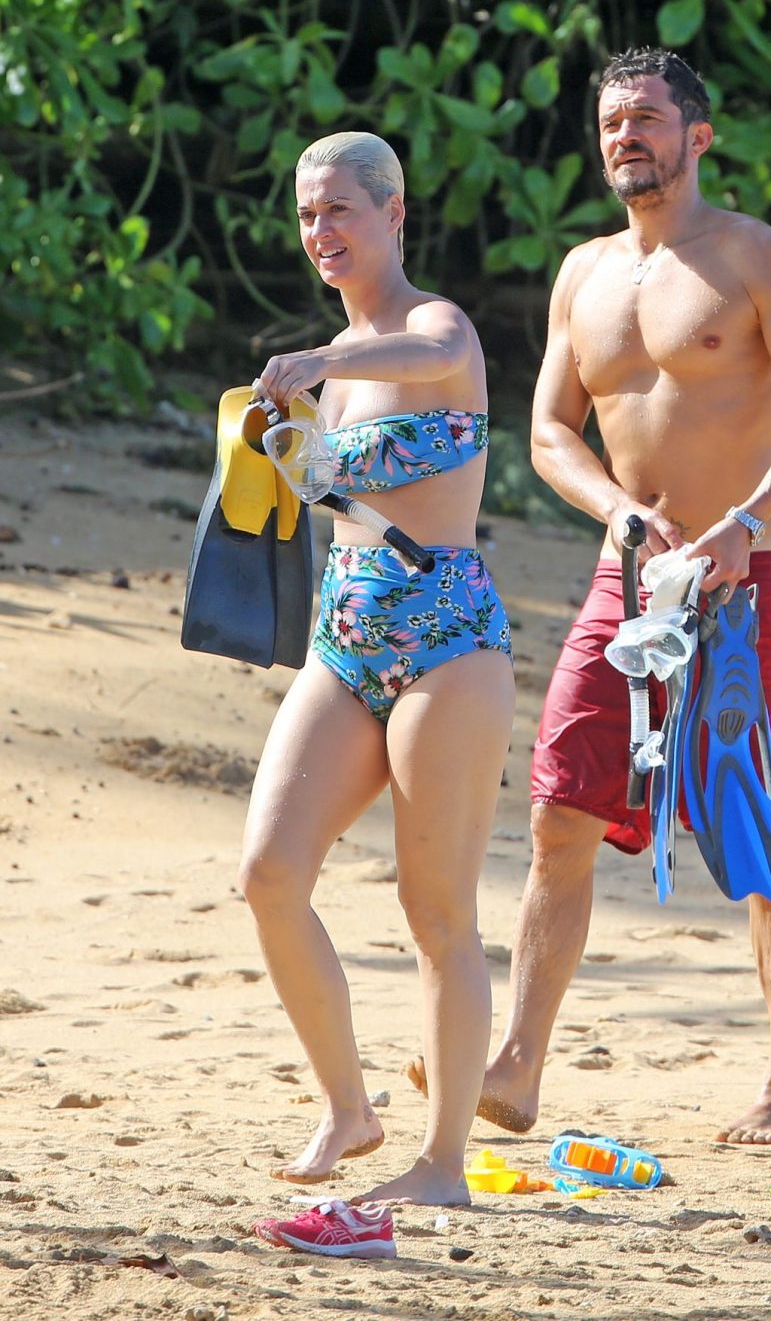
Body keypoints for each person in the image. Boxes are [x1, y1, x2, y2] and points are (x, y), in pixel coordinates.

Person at [408, 46, 771, 1144]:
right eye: (613, 121)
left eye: (648, 118)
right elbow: (547, 433)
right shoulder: (584, 273)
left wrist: (747, 517)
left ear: (697, 135)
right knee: (560, 812)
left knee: (756, 832)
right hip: (625, 588)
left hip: (741, 589)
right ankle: (517, 1064)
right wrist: (616, 509)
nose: (627, 136)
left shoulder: (756, 257)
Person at [240, 131, 515, 1206]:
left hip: (448, 639)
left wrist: (321, 364)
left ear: (394, 214)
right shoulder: (328, 367)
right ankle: (348, 1108)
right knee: (269, 874)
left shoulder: (434, 329)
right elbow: (325, 495)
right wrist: (273, 438)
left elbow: (427, 355)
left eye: (340, 210)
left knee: (436, 909)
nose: (321, 231)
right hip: (343, 633)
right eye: (308, 214)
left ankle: (442, 1164)